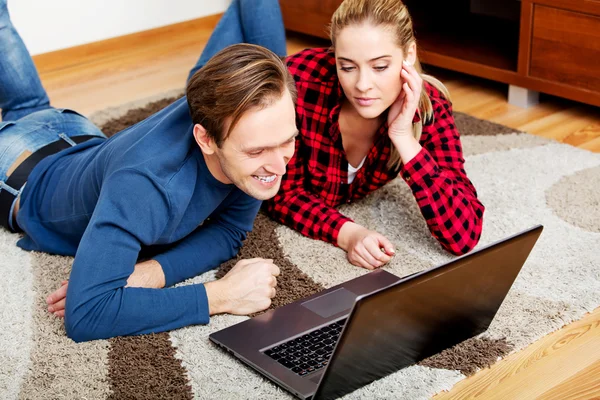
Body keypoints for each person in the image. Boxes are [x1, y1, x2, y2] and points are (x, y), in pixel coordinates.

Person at [0, 0, 297, 342]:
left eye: (288, 141)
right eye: (257, 151)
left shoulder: (250, 110)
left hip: (77, 132)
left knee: (29, 106)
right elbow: (87, 314)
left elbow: (230, 231)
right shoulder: (145, 186)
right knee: (26, 109)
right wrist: (219, 296)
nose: (279, 166)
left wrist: (150, 273)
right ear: (206, 139)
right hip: (17, 168)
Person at [265, 0, 485, 269]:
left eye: (379, 67)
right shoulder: (299, 85)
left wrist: (404, 138)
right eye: (347, 67)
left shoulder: (430, 108)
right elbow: (281, 193)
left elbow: (464, 234)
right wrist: (349, 234)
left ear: (409, 54)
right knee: (215, 83)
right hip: (259, 84)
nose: (362, 85)